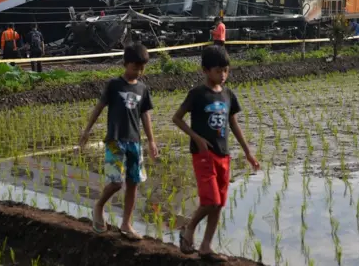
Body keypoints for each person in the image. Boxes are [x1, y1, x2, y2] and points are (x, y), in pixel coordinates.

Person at [171, 46, 259, 261]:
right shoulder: (198, 94)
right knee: (210, 200)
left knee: (219, 203)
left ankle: (206, 246)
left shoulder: (229, 95)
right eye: (218, 71)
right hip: (203, 154)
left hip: (223, 154)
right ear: (205, 70)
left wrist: (248, 152)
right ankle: (188, 229)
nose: (223, 75)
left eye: (226, 71)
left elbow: (234, 124)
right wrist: (197, 138)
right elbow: (177, 118)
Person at [78, 42, 159, 240]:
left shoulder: (142, 88)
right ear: (125, 64)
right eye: (135, 67)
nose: (138, 72)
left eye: (141, 68)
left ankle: (126, 224)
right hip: (115, 140)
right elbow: (99, 107)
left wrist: (151, 141)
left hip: (134, 141)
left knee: (133, 183)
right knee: (115, 183)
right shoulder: (114, 85)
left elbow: (145, 115)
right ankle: (98, 207)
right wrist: (87, 130)